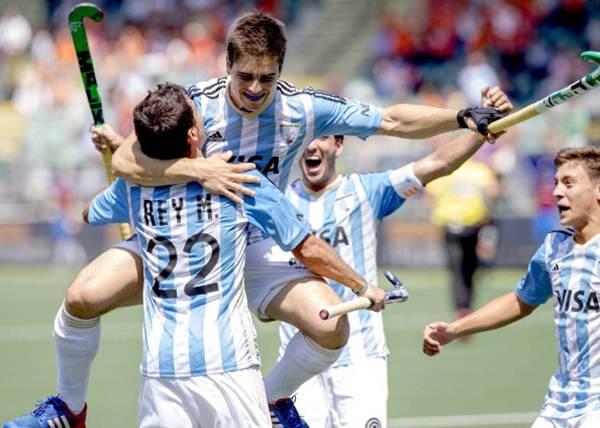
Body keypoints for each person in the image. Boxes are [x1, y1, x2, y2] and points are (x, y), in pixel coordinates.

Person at [5, 11, 504, 428]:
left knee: (329, 327)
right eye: (244, 76)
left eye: (266, 77)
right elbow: (132, 161)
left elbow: (392, 120)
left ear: (280, 69)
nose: (254, 88)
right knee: (81, 296)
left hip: (257, 243)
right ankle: (68, 409)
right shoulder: (194, 103)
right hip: (186, 237)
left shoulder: (303, 109)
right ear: (228, 67)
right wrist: (200, 168)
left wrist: (459, 117)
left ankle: (273, 400)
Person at [277, 85, 511, 427]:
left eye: (323, 137)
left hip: (359, 359)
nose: (312, 146)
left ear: (338, 145)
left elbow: (439, 163)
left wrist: (481, 126)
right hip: (299, 360)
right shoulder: (277, 203)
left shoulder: (366, 191)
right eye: (307, 138)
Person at [422, 146, 600, 428]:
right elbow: (521, 300)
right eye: (555, 183)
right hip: (559, 403)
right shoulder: (555, 246)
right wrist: (456, 329)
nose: (556, 192)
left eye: (568, 183)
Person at [426, 157, 500, 321]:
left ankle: (462, 307)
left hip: (453, 224)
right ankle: (464, 307)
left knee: (458, 269)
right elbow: (494, 191)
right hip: (472, 223)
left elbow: (430, 195)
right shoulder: (479, 170)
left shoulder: (446, 169)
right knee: (467, 269)